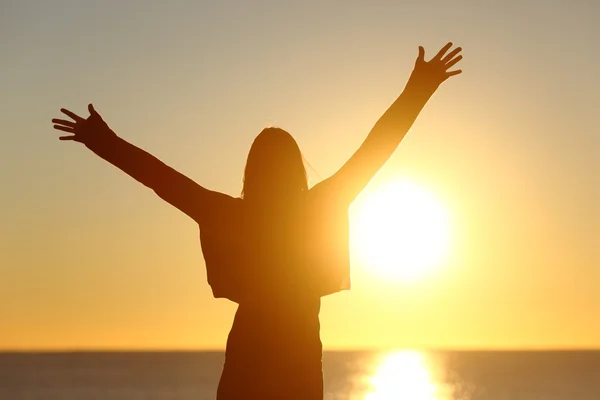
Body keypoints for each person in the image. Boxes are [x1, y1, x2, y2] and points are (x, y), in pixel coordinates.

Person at [51, 42, 462, 400]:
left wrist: (104, 142)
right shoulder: (316, 207)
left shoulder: (230, 215)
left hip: (248, 363)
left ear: (251, 172)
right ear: (295, 171)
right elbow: (375, 149)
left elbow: (162, 180)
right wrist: (418, 89)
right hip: (298, 365)